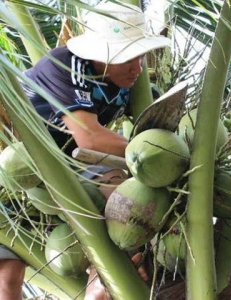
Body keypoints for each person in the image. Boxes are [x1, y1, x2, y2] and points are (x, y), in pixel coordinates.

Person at [1, 2, 169, 299]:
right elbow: (90, 139)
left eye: (140, 56)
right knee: (7, 276)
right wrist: (161, 154)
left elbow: (173, 131)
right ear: (98, 54)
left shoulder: (129, 81)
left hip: (74, 166)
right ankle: (105, 273)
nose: (137, 67)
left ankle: (103, 276)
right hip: (21, 174)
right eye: (126, 58)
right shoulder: (64, 65)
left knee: (124, 196)